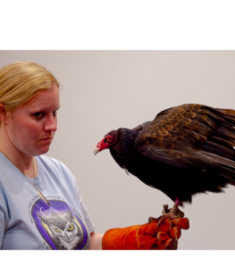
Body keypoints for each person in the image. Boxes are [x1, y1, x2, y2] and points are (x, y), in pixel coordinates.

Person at [0, 61, 188, 250]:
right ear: (3, 113)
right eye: (39, 115)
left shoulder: (58, 173)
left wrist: (131, 240)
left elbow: (82, 245)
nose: (52, 126)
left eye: (54, 113)